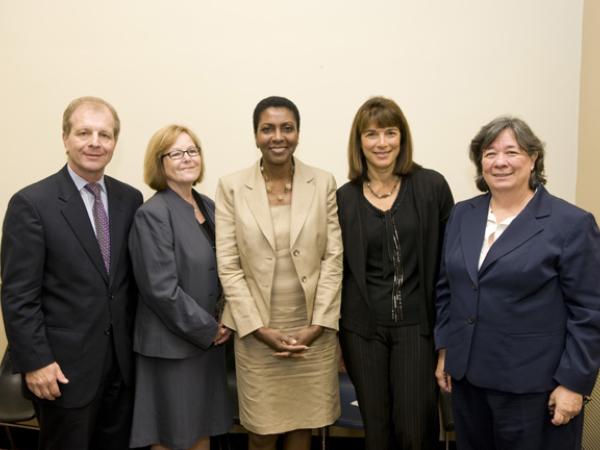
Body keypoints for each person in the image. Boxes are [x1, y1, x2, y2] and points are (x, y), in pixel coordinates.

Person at [434, 116, 600, 450]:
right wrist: (446, 351)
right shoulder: (463, 214)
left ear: (533, 158)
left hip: (534, 389)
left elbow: (590, 312)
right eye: (489, 153)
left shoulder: (570, 223)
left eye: (512, 151)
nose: (500, 162)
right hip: (468, 382)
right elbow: (447, 289)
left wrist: (573, 384)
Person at [0, 96, 143, 450]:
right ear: (65, 138)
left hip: (122, 372)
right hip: (62, 371)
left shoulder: (131, 200)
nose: (95, 142)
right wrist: (36, 363)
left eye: (105, 135)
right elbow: (19, 294)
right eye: (84, 132)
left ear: (114, 143)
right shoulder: (32, 204)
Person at [215, 96, 343, 450]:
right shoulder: (232, 186)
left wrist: (318, 324)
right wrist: (257, 328)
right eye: (267, 129)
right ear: (255, 135)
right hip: (258, 329)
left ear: (298, 133)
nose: (278, 136)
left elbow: (333, 258)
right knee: (262, 430)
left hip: (311, 327)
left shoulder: (322, 182)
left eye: (287, 128)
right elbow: (228, 264)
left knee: (303, 423)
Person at [336, 96, 454, 449]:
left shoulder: (431, 186)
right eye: (372, 134)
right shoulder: (343, 198)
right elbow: (335, 270)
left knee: (415, 429)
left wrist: (447, 340)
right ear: (359, 142)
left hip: (417, 328)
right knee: (377, 431)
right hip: (361, 331)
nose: (382, 143)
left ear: (402, 138)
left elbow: (450, 267)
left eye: (390, 132)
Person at [127, 124, 233, 450]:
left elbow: (227, 269)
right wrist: (209, 329)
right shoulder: (152, 214)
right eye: (176, 153)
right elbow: (161, 290)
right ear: (160, 163)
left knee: (202, 428)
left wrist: (227, 318)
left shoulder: (209, 207)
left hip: (208, 346)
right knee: (172, 434)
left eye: (193, 151)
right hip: (172, 348)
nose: (187, 158)